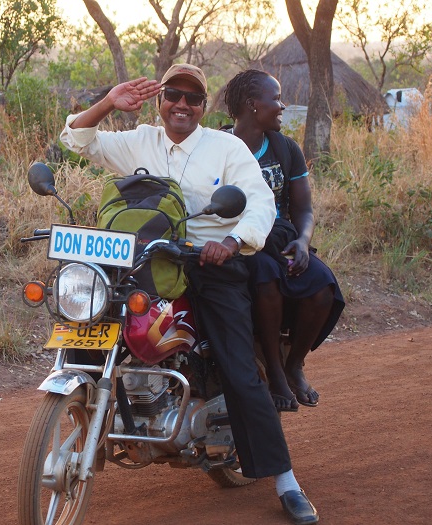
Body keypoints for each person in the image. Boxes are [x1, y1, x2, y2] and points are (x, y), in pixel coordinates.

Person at [60, 64, 319, 524]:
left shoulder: (226, 148)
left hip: (209, 263)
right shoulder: (140, 141)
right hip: (144, 264)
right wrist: (109, 102)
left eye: (193, 98)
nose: (182, 104)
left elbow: (259, 203)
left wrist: (231, 242)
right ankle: (94, 426)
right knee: (87, 328)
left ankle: (285, 480)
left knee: (239, 368)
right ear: (161, 100)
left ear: (203, 105)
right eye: (173, 95)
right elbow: (77, 140)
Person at [222, 69, 345, 413]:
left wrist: (303, 242)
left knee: (322, 284)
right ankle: (274, 370)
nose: (282, 105)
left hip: (280, 239)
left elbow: (303, 209)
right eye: (276, 98)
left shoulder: (285, 148)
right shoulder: (217, 146)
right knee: (265, 276)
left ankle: (294, 365)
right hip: (237, 241)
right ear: (252, 105)